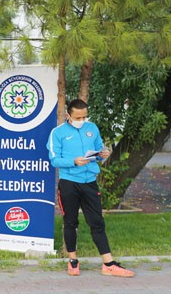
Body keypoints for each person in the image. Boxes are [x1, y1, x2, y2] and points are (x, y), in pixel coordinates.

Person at [47, 98, 135, 278]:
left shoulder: (92, 128)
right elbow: (54, 159)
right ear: (68, 115)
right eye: (78, 117)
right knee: (70, 222)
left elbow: (98, 150)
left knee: (97, 222)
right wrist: (73, 161)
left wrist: (103, 154)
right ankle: (73, 261)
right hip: (69, 183)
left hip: (89, 182)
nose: (82, 120)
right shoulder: (58, 133)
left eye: (84, 117)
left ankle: (108, 264)